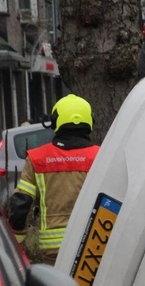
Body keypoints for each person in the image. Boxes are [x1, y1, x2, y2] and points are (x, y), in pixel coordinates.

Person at [9, 94, 99, 264]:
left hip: (52, 253)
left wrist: (17, 246)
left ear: (55, 121)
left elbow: (21, 206)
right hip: (93, 250)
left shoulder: (37, 159)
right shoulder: (101, 157)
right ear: (90, 121)